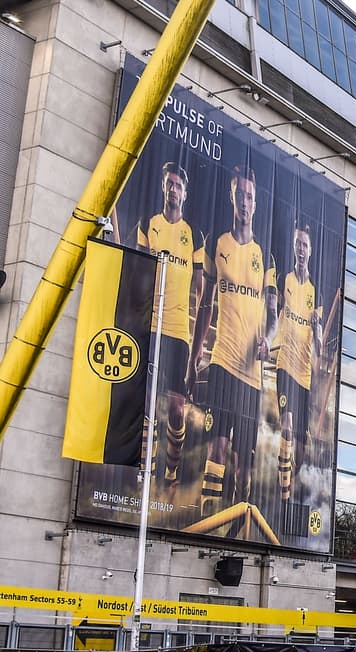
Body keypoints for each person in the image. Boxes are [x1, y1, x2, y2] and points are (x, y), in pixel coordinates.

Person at [193, 165, 277, 519]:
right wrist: (194, 355)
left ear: (255, 204)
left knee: (244, 460)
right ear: (232, 198)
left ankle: (237, 521)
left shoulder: (265, 257)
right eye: (240, 195)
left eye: (250, 197)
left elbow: (274, 317)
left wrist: (267, 343)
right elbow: (206, 303)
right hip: (222, 362)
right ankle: (208, 518)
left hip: (250, 374)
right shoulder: (218, 244)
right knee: (218, 447)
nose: (245, 202)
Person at [135, 161, 205, 488]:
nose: (173, 189)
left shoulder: (194, 236)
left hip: (178, 331)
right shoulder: (149, 225)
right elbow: (136, 270)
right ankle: (145, 474)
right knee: (148, 401)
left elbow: (202, 287)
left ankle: (171, 471)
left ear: (186, 193)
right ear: (163, 187)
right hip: (152, 325)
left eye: (178, 185)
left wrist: (195, 311)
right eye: (169, 184)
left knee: (177, 408)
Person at [275, 222, 324, 504]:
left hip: (304, 374)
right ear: (294, 248)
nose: (301, 250)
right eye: (298, 244)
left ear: (311, 250)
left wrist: (317, 328)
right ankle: (285, 496)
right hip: (285, 365)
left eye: (305, 245)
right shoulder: (286, 280)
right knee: (287, 427)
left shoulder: (315, 293)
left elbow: (318, 347)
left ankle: (290, 478)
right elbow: (272, 312)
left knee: (304, 442)